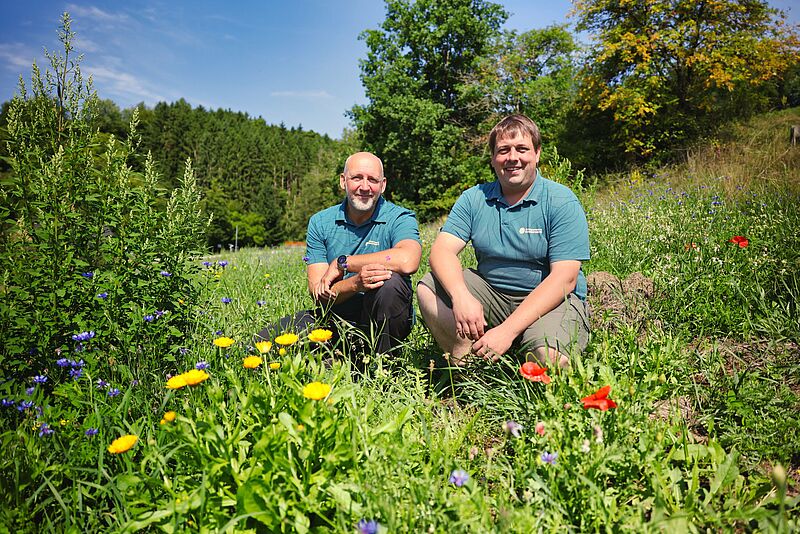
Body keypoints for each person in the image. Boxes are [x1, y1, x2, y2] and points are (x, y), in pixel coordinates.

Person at [417, 114, 590, 368]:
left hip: (550, 301)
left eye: (522, 149)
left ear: (537, 154)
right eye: (503, 150)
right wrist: (461, 296)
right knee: (428, 287)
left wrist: (507, 331)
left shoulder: (561, 201)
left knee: (548, 359)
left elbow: (565, 278)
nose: (512, 158)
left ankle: (525, 348)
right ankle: (467, 368)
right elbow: (441, 251)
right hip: (493, 293)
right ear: (492, 158)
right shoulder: (474, 198)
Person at [257, 152, 422, 356]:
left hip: (386, 320)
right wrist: (356, 284)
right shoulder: (321, 222)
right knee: (261, 345)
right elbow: (319, 295)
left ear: (383, 185)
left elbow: (408, 261)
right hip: (336, 319)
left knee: (389, 282)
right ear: (343, 181)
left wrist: (343, 263)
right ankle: (345, 356)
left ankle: (385, 366)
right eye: (356, 178)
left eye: (372, 179)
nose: (364, 186)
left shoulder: (400, 218)